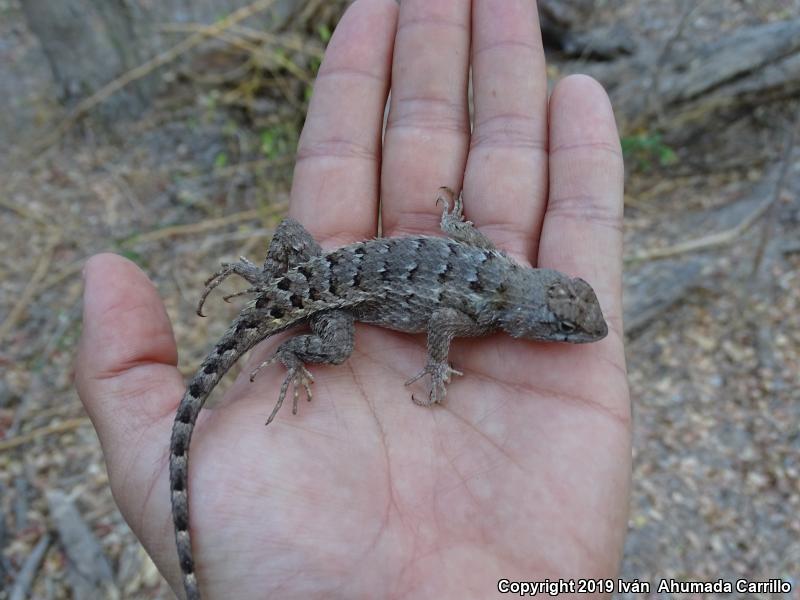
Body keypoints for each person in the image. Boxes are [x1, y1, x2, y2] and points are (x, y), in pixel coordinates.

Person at [75, 0, 629, 597]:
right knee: (336, 349)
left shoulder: (502, 270)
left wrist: (454, 225)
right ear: (538, 316)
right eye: (567, 329)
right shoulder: (492, 307)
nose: (576, 339)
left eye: (569, 328)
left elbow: (464, 249)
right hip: (331, 301)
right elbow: (443, 310)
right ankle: (290, 350)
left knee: (294, 235)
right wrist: (437, 363)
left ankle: (272, 282)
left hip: (332, 269)